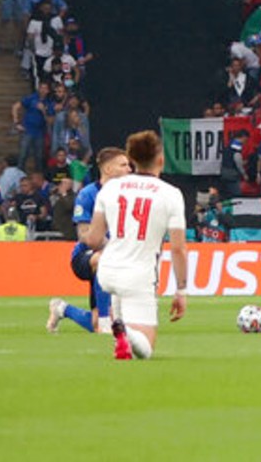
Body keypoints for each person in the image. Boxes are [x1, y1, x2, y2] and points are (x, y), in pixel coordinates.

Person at [82, 131, 189, 360]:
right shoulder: (171, 194)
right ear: (160, 160)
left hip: (108, 270)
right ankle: (125, 331)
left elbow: (92, 239)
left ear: (131, 159)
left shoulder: (110, 189)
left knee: (123, 330)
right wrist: (181, 290)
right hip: (139, 275)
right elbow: (178, 248)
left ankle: (120, 333)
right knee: (146, 349)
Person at [48, 146, 130, 335]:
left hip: (118, 258)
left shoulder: (130, 194)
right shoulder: (88, 194)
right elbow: (84, 235)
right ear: (108, 169)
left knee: (97, 325)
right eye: (123, 165)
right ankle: (104, 321)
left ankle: (62, 308)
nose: (129, 170)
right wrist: (112, 247)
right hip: (86, 257)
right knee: (104, 258)